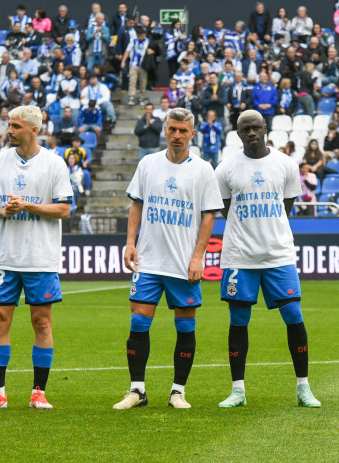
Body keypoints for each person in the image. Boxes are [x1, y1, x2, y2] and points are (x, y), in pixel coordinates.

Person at [112, 108, 221, 410]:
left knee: (185, 328)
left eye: (183, 131)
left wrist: (198, 256)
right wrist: (130, 243)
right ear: (164, 129)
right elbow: (136, 205)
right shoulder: (148, 164)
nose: (176, 135)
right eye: (172, 129)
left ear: (192, 134)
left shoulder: (203, 169)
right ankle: (137, 391)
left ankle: (178, 391)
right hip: (148, 262)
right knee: (138, 323)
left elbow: (209, 215)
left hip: (183, 263)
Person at [215, 110, 321, 409]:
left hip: (278, 255)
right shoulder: (225, 168)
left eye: (255, 128)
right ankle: (238, 390)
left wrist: (267, 232)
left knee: (293, 316)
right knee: (238, 320)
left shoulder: (286, 164)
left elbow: (286, 206)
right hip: (239, 256)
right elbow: (226, 209)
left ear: (265, 129)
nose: (251, 133)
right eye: (245, 129)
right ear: (238, 134)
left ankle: (303, 388)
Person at [0, 105, 72, 410]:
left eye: (15, 126)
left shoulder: (54, 164)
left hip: (40, 259)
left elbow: (64, 209)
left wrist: (27, 207)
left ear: (34, 130)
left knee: (42, 322)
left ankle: (38, 392)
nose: (9, 131)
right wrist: (4, 211)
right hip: (5, 258)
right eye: (9, 125)